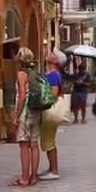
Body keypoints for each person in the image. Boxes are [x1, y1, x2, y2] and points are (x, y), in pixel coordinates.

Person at [9, 47, 40, 187]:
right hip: (36, 111)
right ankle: (33, 177)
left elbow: (22, 96)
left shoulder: (22, 74)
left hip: (26, 112)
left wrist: (16, 116)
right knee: (34, 144)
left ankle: (24, 177)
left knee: (23, 145)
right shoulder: (35, 72)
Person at [39, 52, 63, 181]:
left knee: (48, 141)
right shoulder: (54, 74)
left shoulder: (53, 75)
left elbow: (53, 93)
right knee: (49, 140)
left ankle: (54, 170)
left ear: (54, 61)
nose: (49, 54)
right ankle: (51, 168)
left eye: (53, 54)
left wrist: (43, 101)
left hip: (49, 110)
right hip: (49, 110)